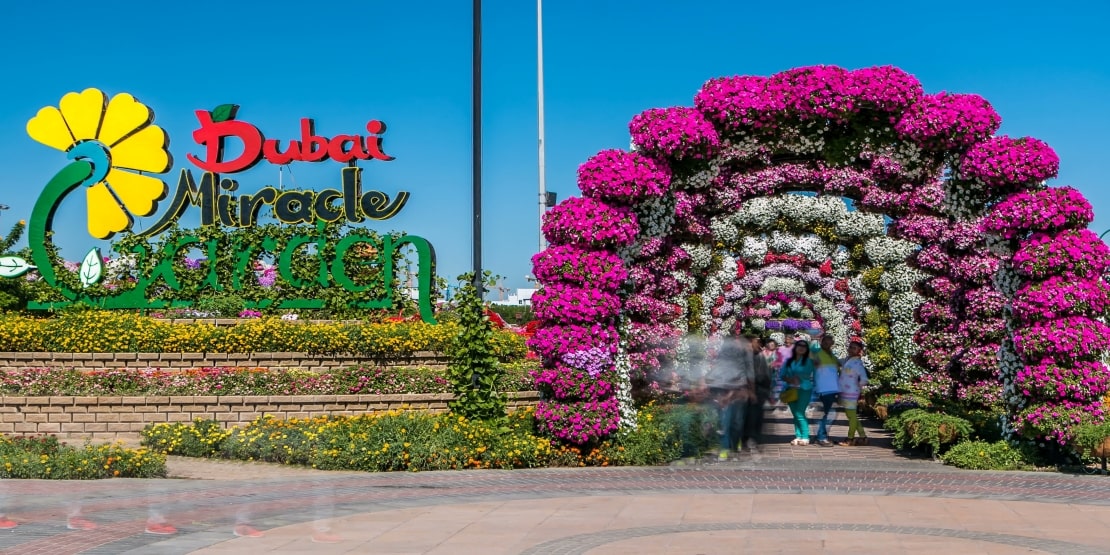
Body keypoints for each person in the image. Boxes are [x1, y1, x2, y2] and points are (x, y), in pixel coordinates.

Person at [704, 333, 754, 460]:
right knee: (724, 420)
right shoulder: (721, 359)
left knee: (737, 422)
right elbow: (713, 374)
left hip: (739, 392)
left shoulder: (745, 354)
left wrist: (751, 390)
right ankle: (725, 448)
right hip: (724, 391)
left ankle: (734, 443)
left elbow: (750, 372)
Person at [779, 338, 816, 445]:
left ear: (807, 349)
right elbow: (781, 375)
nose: (801, 348)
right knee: (795, 414)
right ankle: (798, 436)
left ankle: (805, 436)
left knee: (800, 413)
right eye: (799, 345)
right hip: (790, 390)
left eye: (804, 346)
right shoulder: (788, 361)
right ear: (795, 347)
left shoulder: (809, 361)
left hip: (804, 389)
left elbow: (814, 373)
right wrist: (790, 379)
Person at [837, 340, 870, 446]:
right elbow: (837, 361)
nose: (851, 349)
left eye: (854, 348)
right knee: (851, 416)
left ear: (859, 351)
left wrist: (857, 386)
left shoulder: (858, 363)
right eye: (850, 347)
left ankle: (850, 439)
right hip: (845, 392)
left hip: (851, 393)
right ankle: (863, 437)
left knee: (851, 416)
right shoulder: (847, 360)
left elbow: (864, 379)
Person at [745, 335, 773, 451]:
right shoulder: (747, 356)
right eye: (756, 342)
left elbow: (765, 375)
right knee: (750, 415)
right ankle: (748, 437)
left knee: (755, 415)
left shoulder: (759, 356)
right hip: (748, 389)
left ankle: (753, 437)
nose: (759, 345)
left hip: (759, 389)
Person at [812, 335, 841, 447]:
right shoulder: (816, 353)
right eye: (825, 342)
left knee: (827, 414)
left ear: (832, 343)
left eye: (829, 342)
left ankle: (821, 436)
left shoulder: (832, 355)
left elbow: (837, 367)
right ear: (821, 342)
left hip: (832, 388)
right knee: (827, 414)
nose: (827, 344)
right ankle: (821, 437)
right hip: (823, 388)